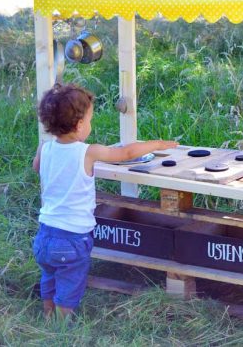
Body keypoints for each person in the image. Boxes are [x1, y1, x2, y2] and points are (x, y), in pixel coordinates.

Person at [32, 83, 177, 319]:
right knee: (70, 282)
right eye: (89, 120)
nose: (90, 124)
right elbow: (126, 154)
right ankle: (61, 325)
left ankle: (47, 314)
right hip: (72, 238)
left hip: (45, 234)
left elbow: (36, 167)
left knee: (50, 275)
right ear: (79, 126)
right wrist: (158, 144)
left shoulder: (45, 147)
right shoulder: (88, 152)